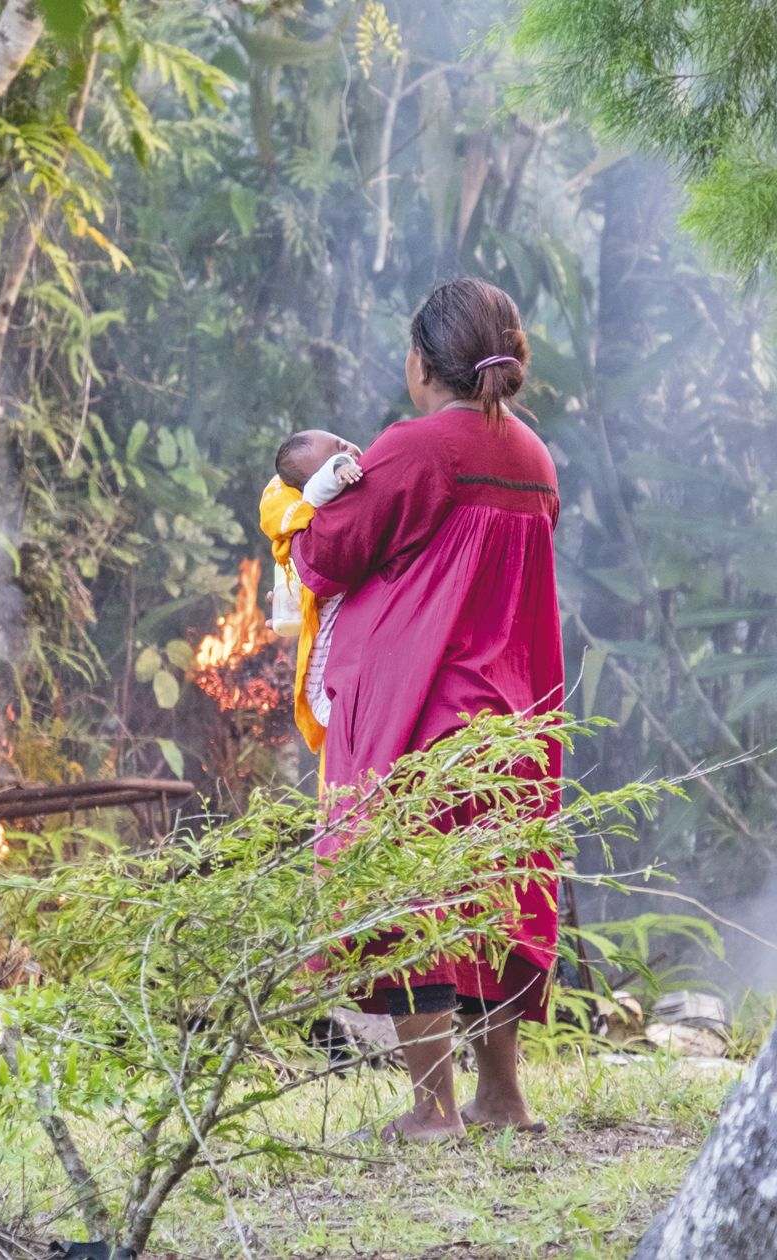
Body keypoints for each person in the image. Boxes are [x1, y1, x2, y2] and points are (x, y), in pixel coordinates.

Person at [289, 277, 564, 1143]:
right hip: (512, 715)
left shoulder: (417, 448)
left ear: (421, 365)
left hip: (422, 716)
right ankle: (504, 1097)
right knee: (490, 895)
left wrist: (296, 515)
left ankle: (434, 1110)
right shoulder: (536, 458)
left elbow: (330, 554)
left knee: (414, 904)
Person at [259, 432, 363, 750]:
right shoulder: (321, 498)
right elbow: (316, 490)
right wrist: (339, 468)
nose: (346, 448)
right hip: (339, 628)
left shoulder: (358, 482)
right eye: (334, 451)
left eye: (341, 441)